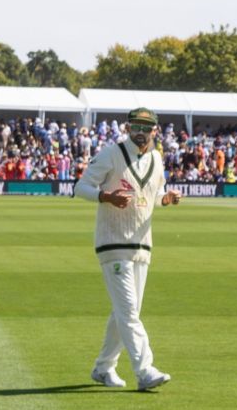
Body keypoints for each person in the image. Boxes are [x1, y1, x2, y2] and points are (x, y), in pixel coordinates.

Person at [75, 107, 181, 391]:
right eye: (136, 126)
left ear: (155, 131)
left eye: (147, 128)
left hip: (142, 245)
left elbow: (155, 194)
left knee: (124, 312)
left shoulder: (157, 159)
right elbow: (81, 187)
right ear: (127, 128)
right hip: (113, 242)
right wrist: (106, 196)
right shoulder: (112, 153)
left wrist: (167, 198)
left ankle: (103, 367)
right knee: (129, 311)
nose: (141, 132)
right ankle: (144, 369)